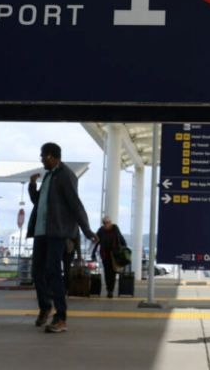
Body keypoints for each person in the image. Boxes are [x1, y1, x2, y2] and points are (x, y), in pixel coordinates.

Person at [28, 143, 98, 333]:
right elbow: (38, 202)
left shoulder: (66, 175)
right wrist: (32, 186)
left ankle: (61, 318)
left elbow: (75, 204)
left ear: (50, 156)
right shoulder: (49, 176)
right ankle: (45, 307)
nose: (41, 159)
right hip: (41, 231)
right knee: (36, 272)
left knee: (52, 271)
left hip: (57, 232)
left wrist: (87, 230)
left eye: (42, 156)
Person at [91, 215, 127, 298]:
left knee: (113, 272)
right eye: (104, 223)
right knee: (107, 272)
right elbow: (95, 243)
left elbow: (121, 239)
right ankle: (109, 289)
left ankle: (111, 290)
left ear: (110, 223)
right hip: (105, 254)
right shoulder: (101, 230)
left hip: (114, 254)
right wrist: (93, 255)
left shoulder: (115, 229)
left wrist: (124, 251)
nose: (106, 225)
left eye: (107, 223)